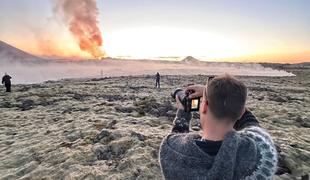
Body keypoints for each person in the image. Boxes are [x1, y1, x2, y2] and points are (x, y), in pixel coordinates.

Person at [159, 74, 277, 180]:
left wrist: (183, 111)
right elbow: (251, 123)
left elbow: (176, 137)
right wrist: (217, 95)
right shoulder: (261, 154)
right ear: (241, 112)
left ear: (204, 106)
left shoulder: (171, 151)